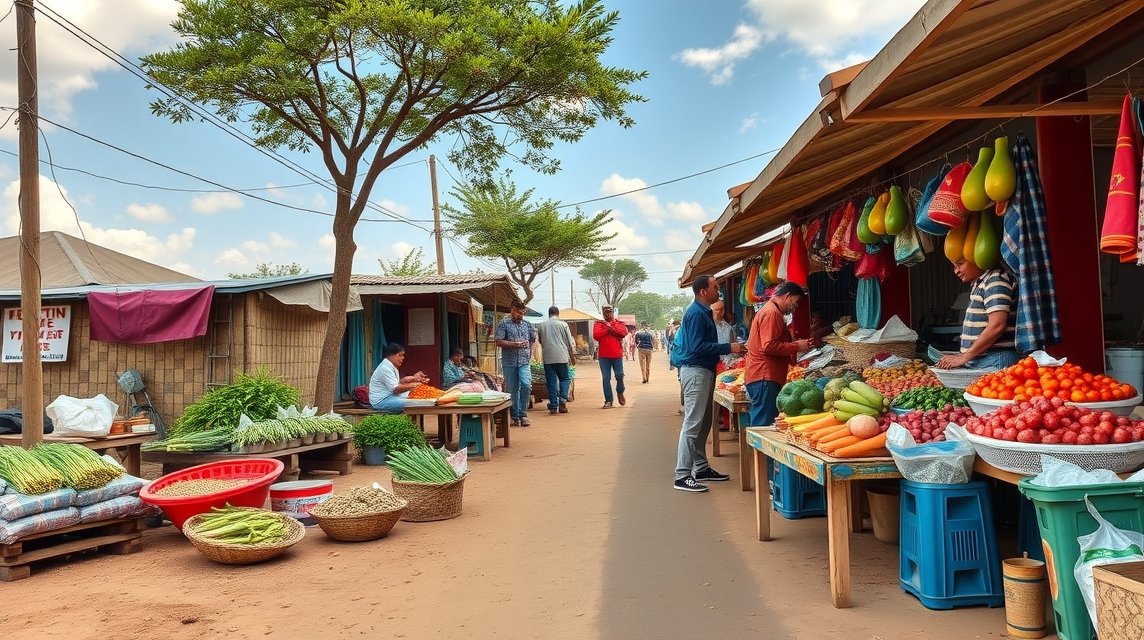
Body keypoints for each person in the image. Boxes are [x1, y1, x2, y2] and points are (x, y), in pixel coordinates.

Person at [673, 276, 744, 493]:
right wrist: (728, 348)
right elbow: (697, 346)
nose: (719, 290)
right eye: (715, 287)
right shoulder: (696, 313)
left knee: (703, 423)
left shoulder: (702, 312)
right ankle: (682, 475)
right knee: (693, 423)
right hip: (695, 371)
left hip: (703, 370)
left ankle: (701, 467)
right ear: (703, 291)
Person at [744, 282, 812, 428]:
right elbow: (769, 346)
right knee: (764, 426)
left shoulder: (769, 310)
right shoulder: (772, 313)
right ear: (788, 296)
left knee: (762, 423)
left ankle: (758, 451)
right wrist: (797, 346)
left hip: (761, 375)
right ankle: (759, 452)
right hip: (765, 376)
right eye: (796, 301)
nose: (796, 306)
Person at [935, 259, 1020, 370]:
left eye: (960, 264)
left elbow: (997, 325)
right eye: (954, 266)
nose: (956, 271)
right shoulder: (981, 283)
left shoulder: (995, 280)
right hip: (986, 361)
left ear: (976, 259)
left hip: (994, 361)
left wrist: (963, 357)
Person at [495, 300, 537, 426]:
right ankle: (515, 416)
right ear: (512, 309)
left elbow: (534, 340)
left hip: (524, 361)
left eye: (522, 313)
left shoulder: (527, 324)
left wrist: (531, 352)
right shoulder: (503, 323)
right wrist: (514, 344)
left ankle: (523, 413)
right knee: (512, 390)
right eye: (518, 312)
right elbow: (498, 341)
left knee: (526, 385)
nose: (520, 315)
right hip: (509, 362)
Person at [535, 306, 577, 415]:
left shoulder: (541, 325)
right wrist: (572, 356)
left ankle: (553, 406)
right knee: (564, 378)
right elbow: (569, 342)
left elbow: (540, 341)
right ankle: (562, 400)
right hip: (562, 356)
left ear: (549, 314)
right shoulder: (563, 325)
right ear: (558, 313)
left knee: (551, 381)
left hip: (548, 357)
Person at [368, 342, 429, 413]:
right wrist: (415, 385)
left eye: (403, 355)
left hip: (392, 397)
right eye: (400, 355)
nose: (403, 358)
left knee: (419, 397)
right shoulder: (385, 368)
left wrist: (414, 378)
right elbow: (395, 389)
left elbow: (398, 383)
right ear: (391, 355)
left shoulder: (391, 366)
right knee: (417, 403)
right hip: (381, 401)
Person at [593, 305, 629, 408]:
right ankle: (608, 400)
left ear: (612, 312)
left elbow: (623, 333)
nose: (608, 314)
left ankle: (620, 391)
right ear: (603, 313)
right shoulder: (598, 324)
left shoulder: (619, 323)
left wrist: (611, 328)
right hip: (604, 356)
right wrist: (607, 330)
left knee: (619, 375)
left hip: (617, 355)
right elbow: (596, 335)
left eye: (609, 312)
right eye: (605, 312)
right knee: (605, 378)